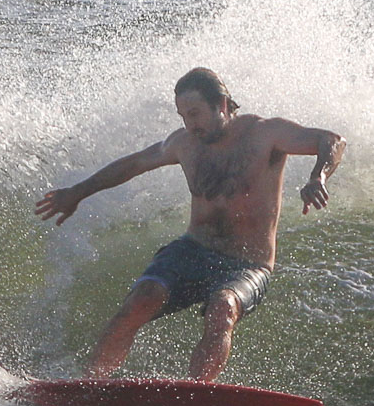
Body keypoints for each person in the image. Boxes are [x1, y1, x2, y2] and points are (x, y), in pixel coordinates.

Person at [35, 67, 345, 382]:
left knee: (223, 309)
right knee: (142, 298)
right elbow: (134, 164)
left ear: (222, 105)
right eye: (184, 116)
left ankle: (196, 395)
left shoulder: (265, 134)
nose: (190, 124)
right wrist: (77, 193)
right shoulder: (185, 143)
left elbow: (330, 140)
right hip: (193, 251)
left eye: (195, 114)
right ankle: (90, 385)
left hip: (247, 264)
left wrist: (317, 176)